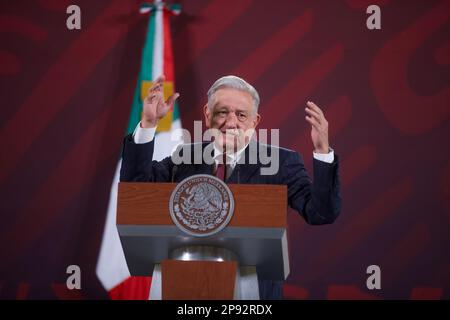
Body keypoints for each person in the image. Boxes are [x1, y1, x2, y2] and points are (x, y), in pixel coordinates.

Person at [120, 75, 341, 299]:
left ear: (255, 121)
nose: (231, 122)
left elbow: (321, 213)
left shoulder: (281, 163)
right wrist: (148, 124)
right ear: (207, 114)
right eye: (222, 112)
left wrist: (323, 151)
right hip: (181, 289)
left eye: (241, 115)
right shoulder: (184, 157)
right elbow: (135, 191)